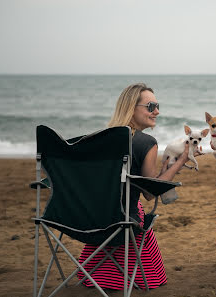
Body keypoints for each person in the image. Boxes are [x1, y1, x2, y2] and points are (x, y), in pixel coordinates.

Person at [77, 83, 192, 290]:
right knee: (136, 207)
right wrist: (181, 161)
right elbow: (149, 193)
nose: (157, 111)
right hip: (123, 224)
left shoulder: (99, 139)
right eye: (150, 106)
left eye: (157, 105)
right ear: (131, 108)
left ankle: (101, 274)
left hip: (90, 220)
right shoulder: (145, 142)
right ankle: (128, 275)